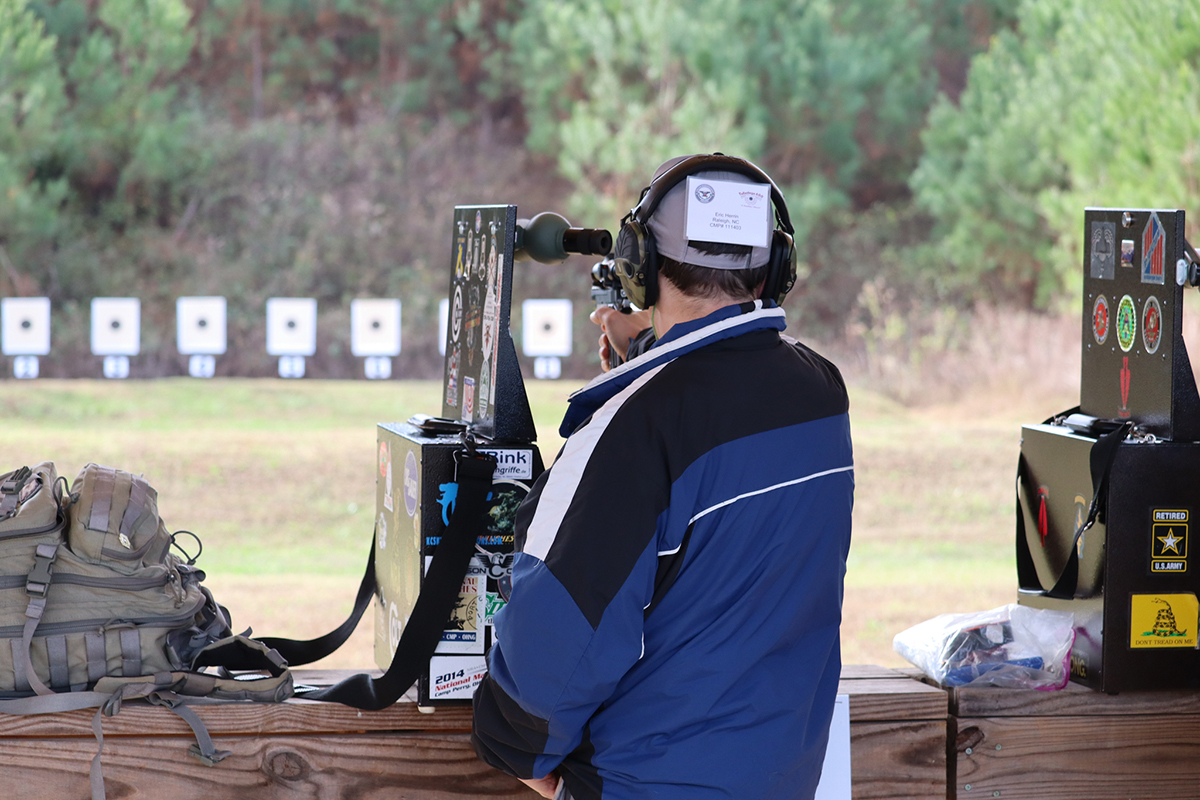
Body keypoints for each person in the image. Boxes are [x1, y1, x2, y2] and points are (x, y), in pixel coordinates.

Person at [472, 154, 854, 800]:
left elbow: (548, 665)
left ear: (638, 263)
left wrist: (519, 748)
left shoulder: (633, 429)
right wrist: (653, 359)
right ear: (778, 268)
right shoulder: (820, 394)